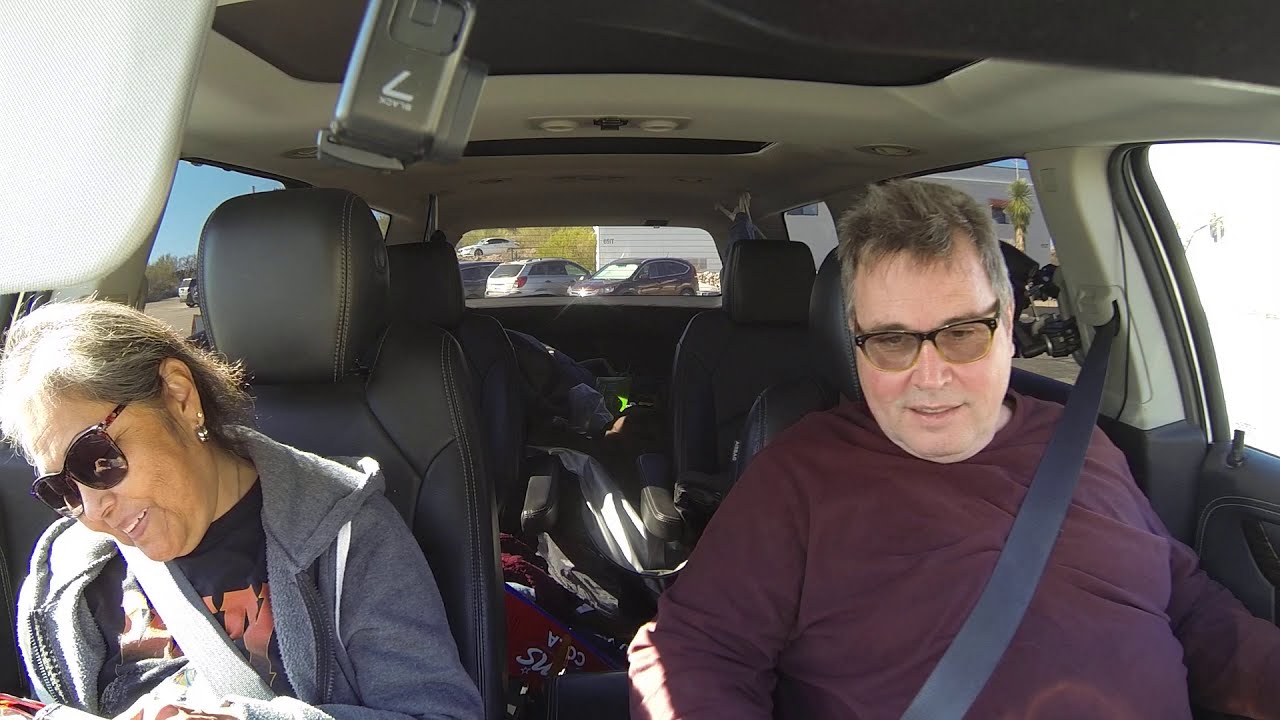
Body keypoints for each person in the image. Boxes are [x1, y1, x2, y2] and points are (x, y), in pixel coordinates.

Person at [627, 180, 1280, 719]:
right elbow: (690, 655)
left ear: (1009, 323)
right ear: (854, 341)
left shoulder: (1082, 446)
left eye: (962, 333)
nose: (930, 375)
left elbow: (1188, 604)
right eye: (892, 341)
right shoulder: (798, 478)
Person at [0, 301, 483, 720]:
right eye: (62, 487)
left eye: (97, 459)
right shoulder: (68, 574)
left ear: (180, 397)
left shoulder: (348, 533)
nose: (92, 507)